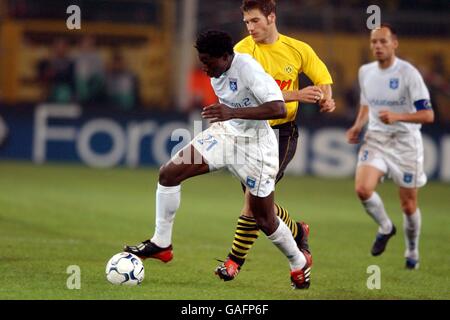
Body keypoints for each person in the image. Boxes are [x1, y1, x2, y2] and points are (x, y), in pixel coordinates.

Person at [124, 30, 311, 289]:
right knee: (169, 173)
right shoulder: (217, 70)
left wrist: (232, 111)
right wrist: (229, 116)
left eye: (208, 62)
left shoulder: (248, 69)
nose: (205, 68)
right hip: (225, 136)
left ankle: (298, 262)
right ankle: (161, 244)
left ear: (225, 57)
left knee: (264, 218)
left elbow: (278, 107)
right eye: (202, 62)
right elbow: (227, 108)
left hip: (257, 149)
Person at [214, 0, 335, 282]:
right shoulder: (242, 52)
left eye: (255, 21)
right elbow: (249, 97)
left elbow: (322, 79)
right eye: (246, 22)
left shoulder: (298, 49)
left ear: (271, 17)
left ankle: (233, 262)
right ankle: (298, 231)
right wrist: (296, 95)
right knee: (260, 206)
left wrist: (327, 97)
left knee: (253, 200)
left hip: (281, 134)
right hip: (249, 134)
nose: (250, 27)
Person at [346, 24, 434, 269]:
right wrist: (357, 125)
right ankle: (386, 227)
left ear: (394, 44)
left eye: (383, 41)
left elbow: (428, 115)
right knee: (363, 189)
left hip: (405, 144)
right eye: (374, 42)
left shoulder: (409, 74)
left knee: (408, 205)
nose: (378, 46)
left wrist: (398, 117)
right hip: (376, 139)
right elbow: (366, 104)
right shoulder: (365, 72)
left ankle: (412, 250)